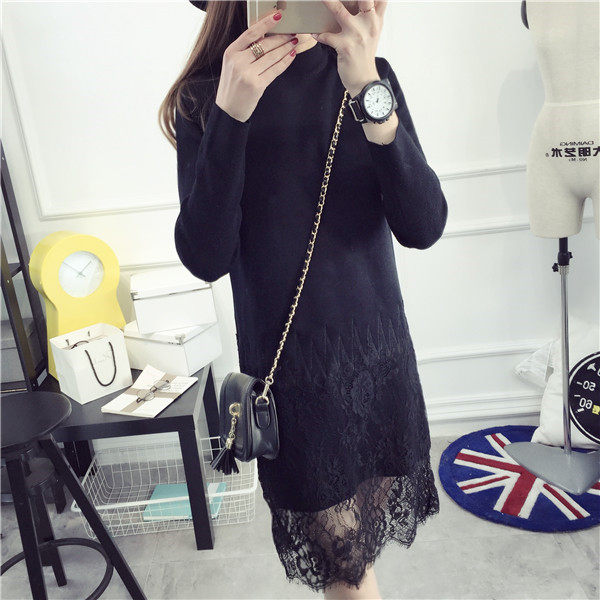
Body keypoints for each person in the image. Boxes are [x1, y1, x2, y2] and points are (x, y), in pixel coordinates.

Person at [159, 1, 447, 597]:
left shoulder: (366, 75)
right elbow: (205, 256)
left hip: (379, 363)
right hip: (295, 382)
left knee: (360, 559)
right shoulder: (206, 97)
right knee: (348, 573)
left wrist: (367, 88)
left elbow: (422, 225)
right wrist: (231, 115)